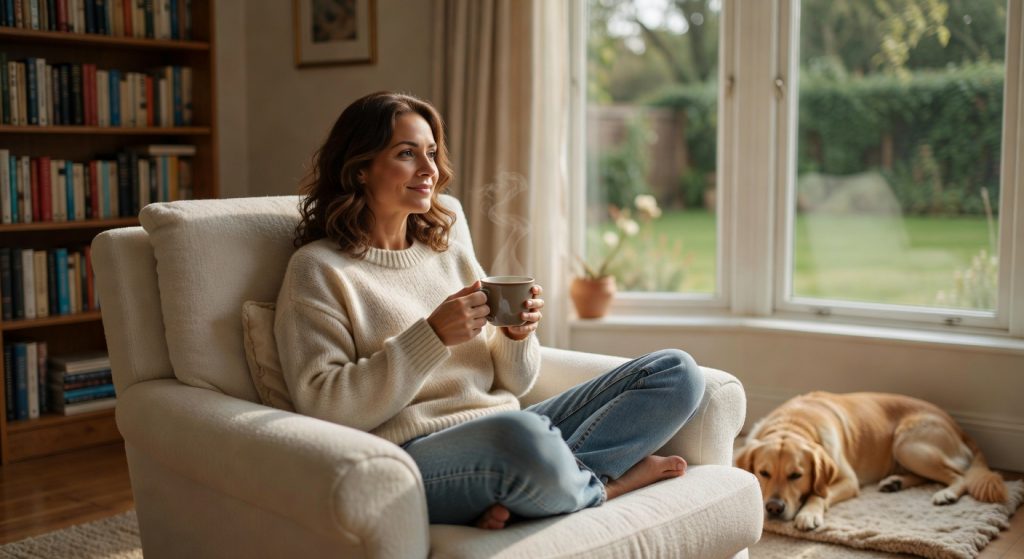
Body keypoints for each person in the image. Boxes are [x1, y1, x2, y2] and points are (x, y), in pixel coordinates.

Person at [274, 91, 706, 530]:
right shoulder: (318, 270)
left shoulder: (449, 255)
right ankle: (604, 487)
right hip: (414, 454)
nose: (430, 170)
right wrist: (432, 336)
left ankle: (546, 485)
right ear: (360, 168)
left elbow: (514, 382)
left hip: (506, 428)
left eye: (431, 153)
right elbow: (324, 405)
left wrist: (516, 337)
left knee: (677, 372)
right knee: (524, 437)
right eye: (407, 154)